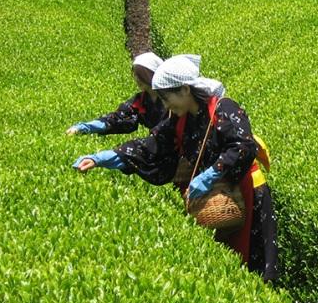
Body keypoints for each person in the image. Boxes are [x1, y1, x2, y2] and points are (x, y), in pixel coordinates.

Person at [72, 55, 278, 281]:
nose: (165, 105)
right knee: (228, 264)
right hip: (219, 197)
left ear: (185, 91)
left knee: (254, 264)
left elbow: (243, 146)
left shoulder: (223, 108)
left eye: (166, 98)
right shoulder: (178, 118)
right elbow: (152, 145)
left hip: (248, 192)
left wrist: (210, 174)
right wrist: (103, 158)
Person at [66, 52, 168, 136]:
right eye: (136, 75)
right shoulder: (141, 100)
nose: (138, 79)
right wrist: (85, 128)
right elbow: (119, 118)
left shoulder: (170, 99)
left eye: (141, 75)